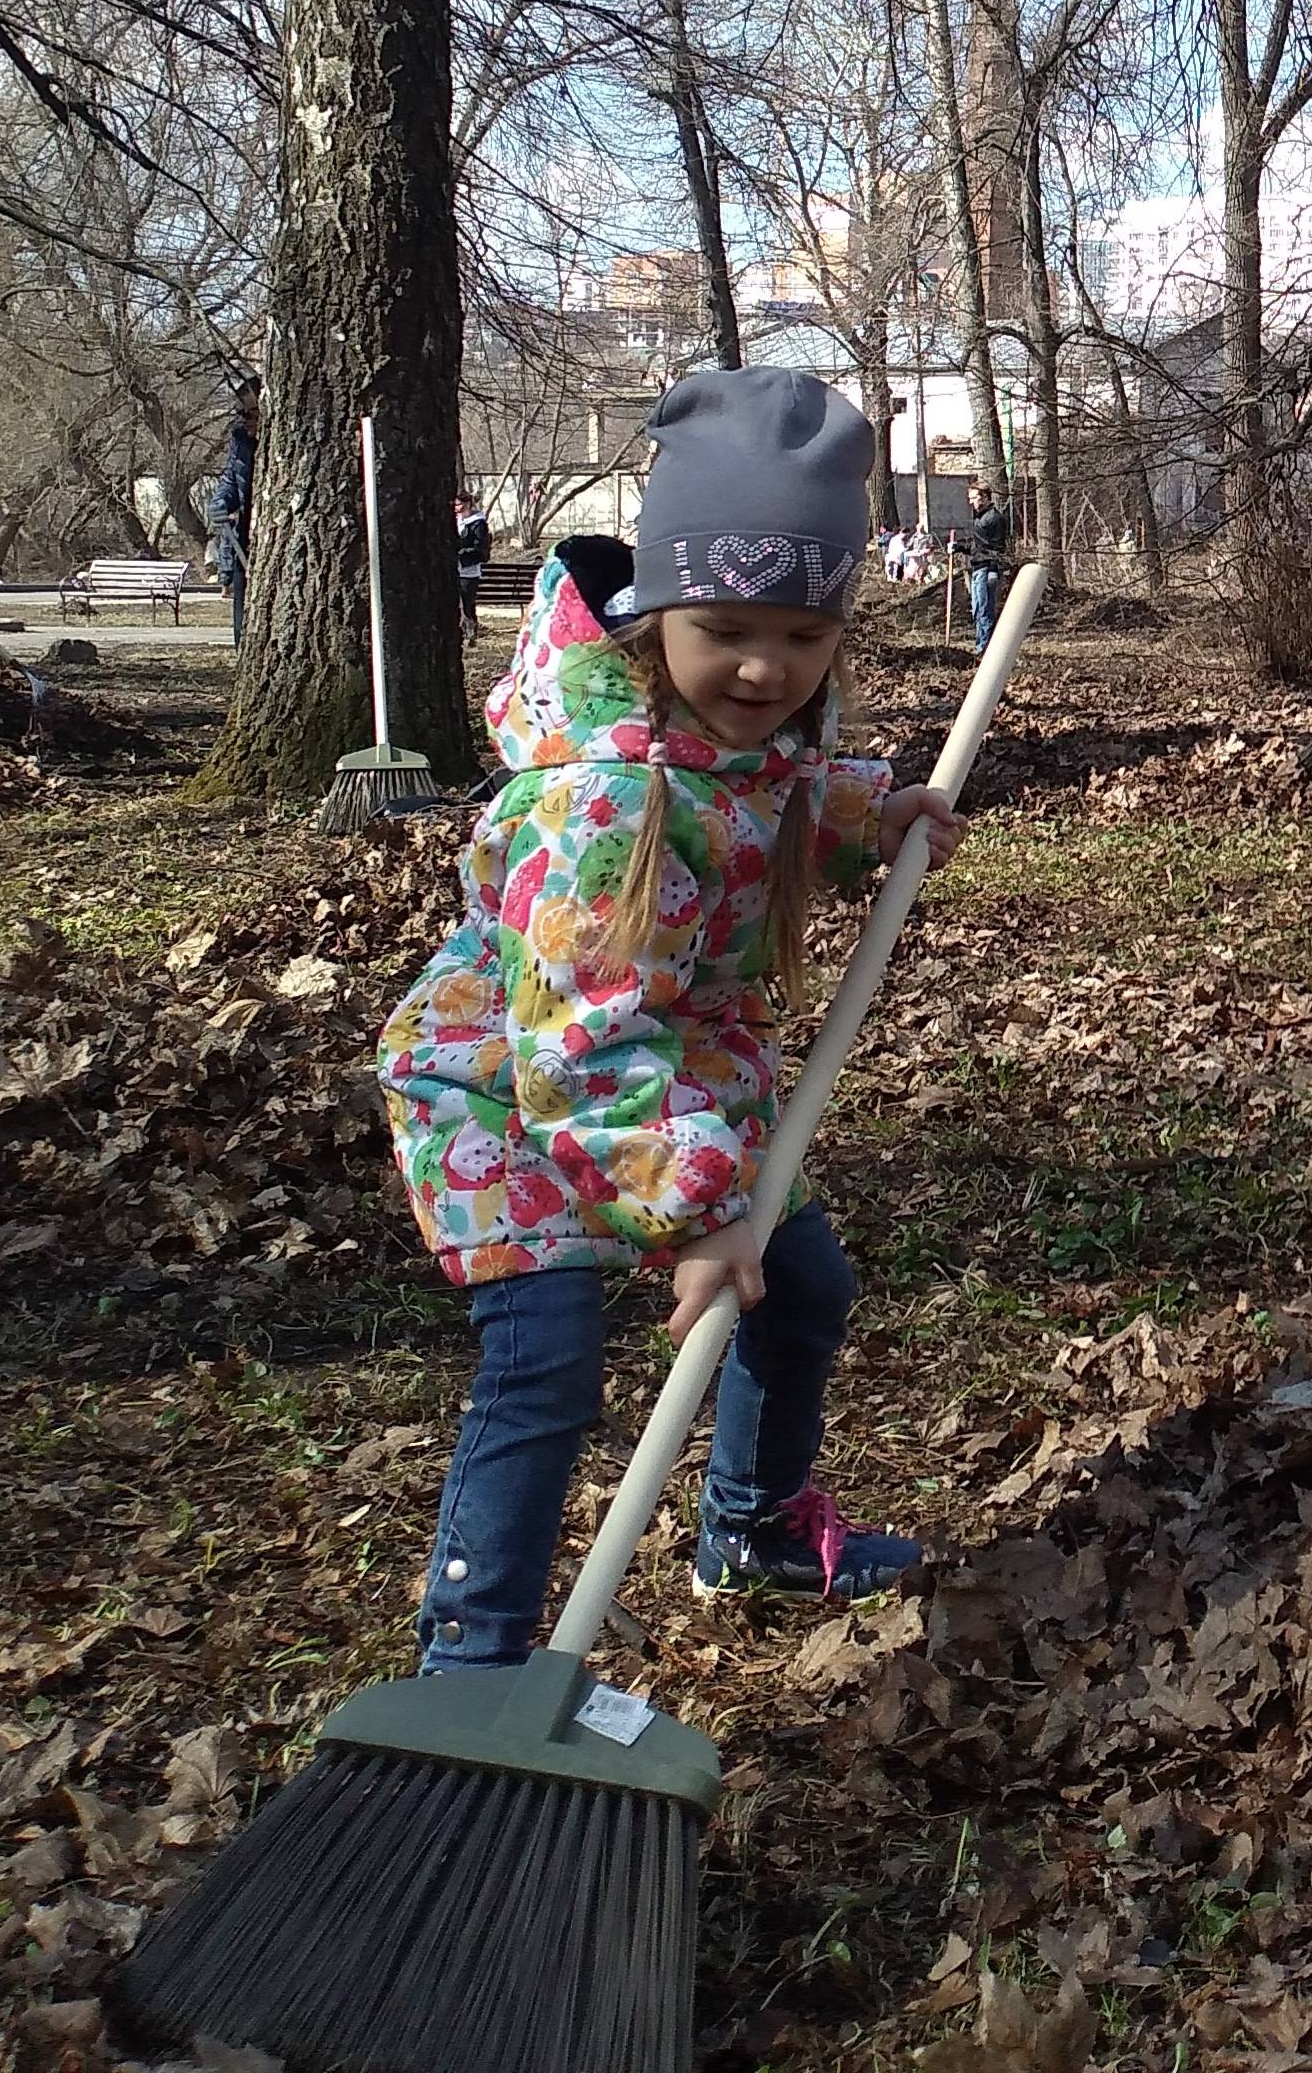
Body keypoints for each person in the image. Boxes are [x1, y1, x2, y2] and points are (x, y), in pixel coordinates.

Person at [376, 366, 968, 1668]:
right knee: (547, 1356)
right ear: (654, 615)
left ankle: (750, 1529)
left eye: (806, 639)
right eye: (729, 629)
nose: (766, 668)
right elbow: (578, 1048)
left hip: (666, 1063)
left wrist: (877, 811)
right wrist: (696, 1214)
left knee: (800, 1285)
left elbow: (776, 782)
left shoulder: (733, 726)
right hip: (509, 1088)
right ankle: (470, 1658)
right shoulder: (596, 801)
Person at [212, 376, 261, 644]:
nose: (243, 419)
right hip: (247, 544)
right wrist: (220, 501)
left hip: (270, 542)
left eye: (249, 413)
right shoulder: (240, 441)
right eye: (239, 412)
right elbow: (231, 479)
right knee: (243, 628)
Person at [961, 478, 1013, 650]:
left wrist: (992, 566)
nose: (970, 502)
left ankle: (985, 647)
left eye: (973, 498)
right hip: (978, 567)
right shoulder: (979, 518)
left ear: (984, 497)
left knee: (984, 609)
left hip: (988, 568)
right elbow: (978, 546)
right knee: (977, 608)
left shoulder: (995, 519)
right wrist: (960, 548)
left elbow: (998, 549)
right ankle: (980, 643)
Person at [453, 487, 492, 635]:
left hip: (468, 570)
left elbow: (481, 548)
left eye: (459, 504)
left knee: (467, 602)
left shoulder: (478, 524)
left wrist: (462, 554)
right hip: (454, 568)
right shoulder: (455, 521)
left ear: (468, 504)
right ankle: (462, 630)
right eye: (455, 505)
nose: (457, 508)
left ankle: (471, 632)